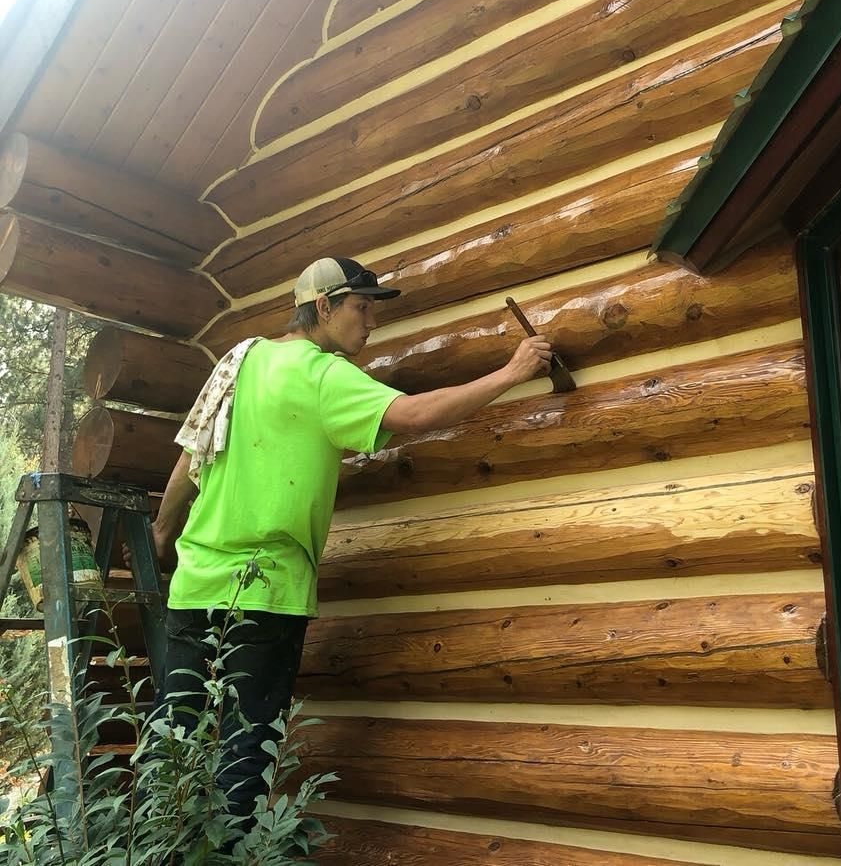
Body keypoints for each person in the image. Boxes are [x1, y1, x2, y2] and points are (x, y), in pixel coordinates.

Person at [148, 255, 552, 820]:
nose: (370, 322)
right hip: (265, 594)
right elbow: (412, 415)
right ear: (322, 307)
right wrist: (511, 374)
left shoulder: (237, 362)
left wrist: (164, 532)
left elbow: (190, 459)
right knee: (245, 758)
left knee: (173, 743)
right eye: (361, 308)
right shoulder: (321, 373)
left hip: (193, 586)